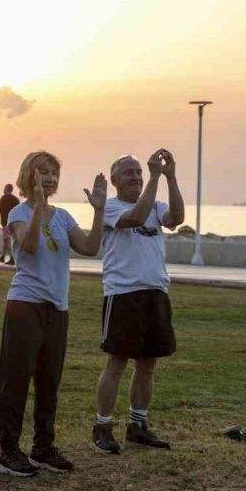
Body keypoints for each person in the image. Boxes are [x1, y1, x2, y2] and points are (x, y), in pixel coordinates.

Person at [0, 151, 106, 477]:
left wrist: (99, 212)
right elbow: (27, 246)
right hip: (25, 306)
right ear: (29, 175)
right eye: (44, 172)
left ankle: (43, 448)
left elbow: (89, 247)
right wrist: (38, 208)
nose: (50, 178)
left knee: (49, 382)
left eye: (54, 173)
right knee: (15, 381)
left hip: (58, 309)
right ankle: (9, 452)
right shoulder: (18, 212)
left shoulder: (64, 217)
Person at [92, 150, 185, 454]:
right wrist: (156, 178)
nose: (135, 176)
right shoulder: (109, 207)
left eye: (138, 173)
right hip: (123, 294)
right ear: (115, 180)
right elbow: (133, 218)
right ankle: (102, 426)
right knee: (117, 361)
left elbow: (177, 218)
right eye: (129, 173)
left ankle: (138, 425)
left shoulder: (156, 205)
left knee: (147, 364)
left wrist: (170, 177)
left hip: (155, 292)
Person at [0, 183, 20, 265]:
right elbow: (19, 211)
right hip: (13, 223)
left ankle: (12, 259)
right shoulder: (16, 199)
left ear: (7, 189)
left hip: (6, 223)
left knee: (7, 241)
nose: (3, 190)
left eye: (4, 188)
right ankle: (3, 256)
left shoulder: (4, 198)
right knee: (7, 240)